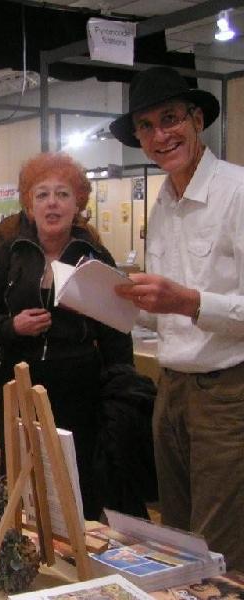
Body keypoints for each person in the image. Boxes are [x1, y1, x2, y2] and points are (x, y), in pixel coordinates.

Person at [110, 66, 244, 571]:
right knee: (178, 539)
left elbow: (188, 301)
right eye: (146, 127)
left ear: (196, 119)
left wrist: (187, 301)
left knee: (219, 545)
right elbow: (168, 307)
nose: (161, 135)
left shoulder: (237, 193)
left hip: (229, 393)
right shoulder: (163, 201)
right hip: (172, 388)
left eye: (170, 119)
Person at [0, 153, 133, 519]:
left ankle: (81, 554)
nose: (52, 203)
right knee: (22, 475)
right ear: (29, 205)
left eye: (62, 194)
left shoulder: (94, 256)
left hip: (79, 388)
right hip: (19, 382)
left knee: (76, 480)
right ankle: (24, 551)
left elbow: (118, 332)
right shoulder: (11, 253)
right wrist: (13, 326)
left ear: (78, 203)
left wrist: (118, 392)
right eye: (42, 195)